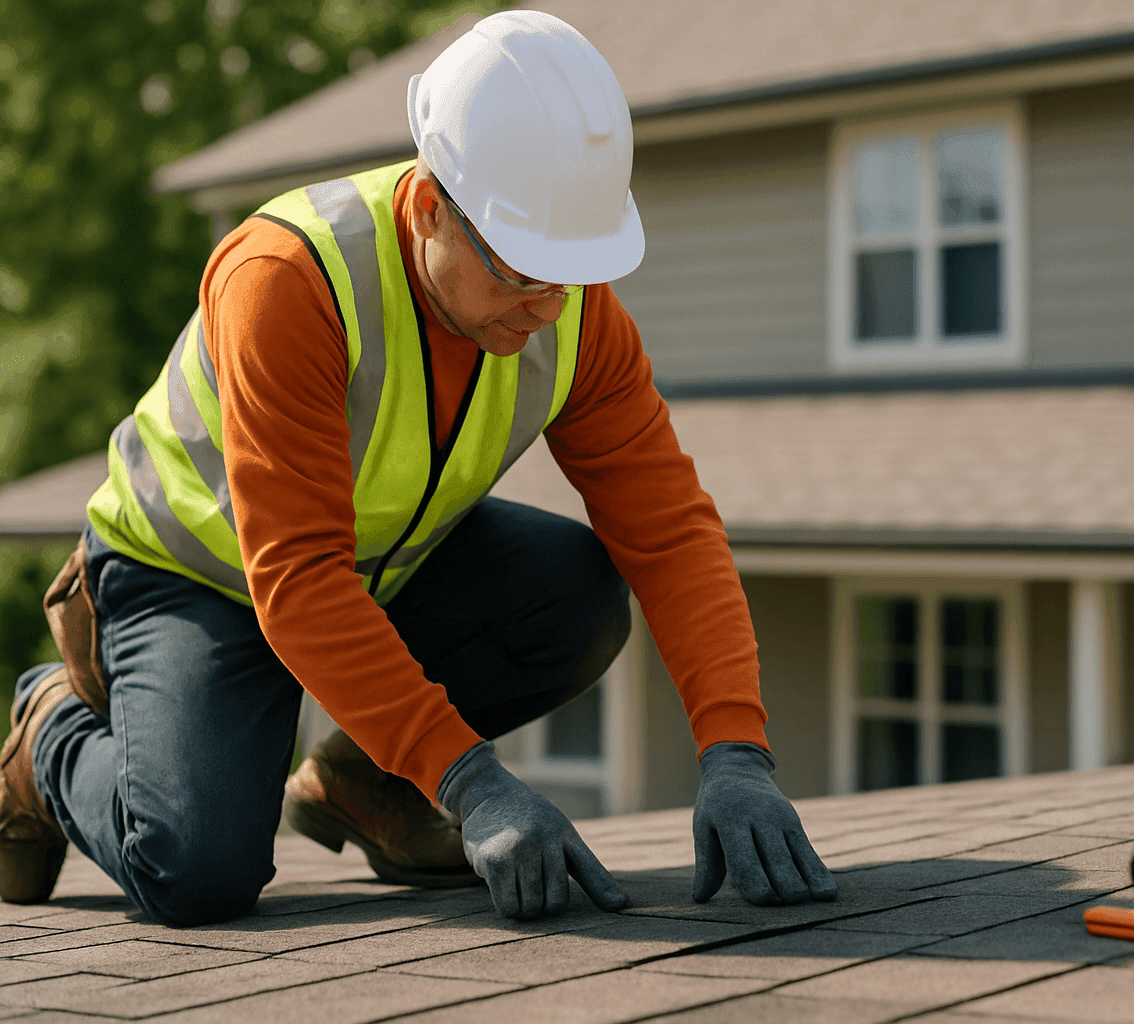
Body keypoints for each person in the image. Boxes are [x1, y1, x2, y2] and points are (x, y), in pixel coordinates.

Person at [0, 10, 836, 926]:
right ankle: (48, 735)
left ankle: (365, 784)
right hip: (194, 572)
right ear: (432, 205)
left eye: (569, 273)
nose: (547, 309)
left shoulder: (577, 316)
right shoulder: (289, 278)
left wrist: (735, 753)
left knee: (576, 592)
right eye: (520, 272)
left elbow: (670, 530)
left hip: (380, 565)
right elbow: (299, 576)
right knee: (196, 870)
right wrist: (471, 783)